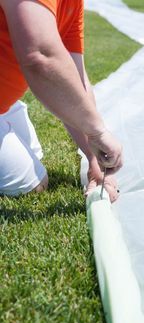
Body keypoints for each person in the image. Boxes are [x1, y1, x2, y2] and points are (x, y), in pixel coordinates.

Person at [0, 0, 123, 202]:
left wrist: (93, 158)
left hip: (5, 105)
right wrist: (96, 131)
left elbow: (76, 77)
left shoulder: (74, 3)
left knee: (34, 157)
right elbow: (40, 56)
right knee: (30, 186)